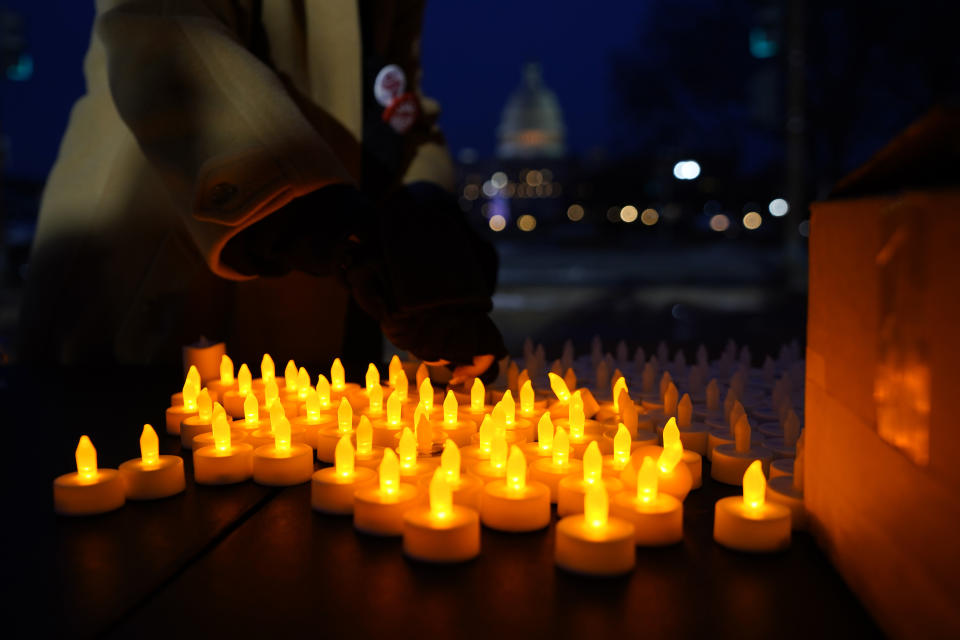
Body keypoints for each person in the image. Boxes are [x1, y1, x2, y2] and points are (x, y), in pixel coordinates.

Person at [19, 0, 505, 383]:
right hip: (157, 297)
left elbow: (394, 93)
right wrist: (318, 215)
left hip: (324, 295)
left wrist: (422, 203)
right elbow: (165, 26)